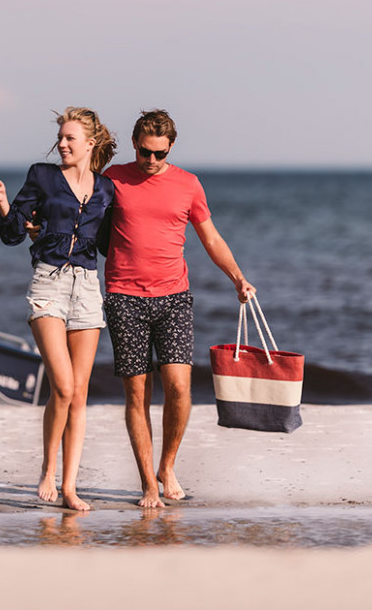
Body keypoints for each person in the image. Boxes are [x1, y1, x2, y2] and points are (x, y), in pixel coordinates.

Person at [102, 109, 255, 508]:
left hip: (174, 297)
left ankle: (167, 466)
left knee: (179, 388)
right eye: (144, 153)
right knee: (137, 394)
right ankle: (148, 485)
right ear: (135, 144)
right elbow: (78, 218)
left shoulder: (188, 184)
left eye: (159, 154)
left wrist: (237, 278)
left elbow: (211, 237)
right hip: (125, 297)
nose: (151, 162)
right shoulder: (113, 179)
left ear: (170, 147)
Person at [0, 107, 116, 510]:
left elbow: (109, 244)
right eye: (61, 137)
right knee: (63, 385)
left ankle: (70, 487)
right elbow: (13, 234)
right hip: (49, 285)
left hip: (88, 287)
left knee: (80, 393)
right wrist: (5, 204)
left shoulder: (106, 189)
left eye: (71, 138)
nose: (62, 144)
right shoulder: (42, 176)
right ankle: (47, 470)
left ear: (90, 143)